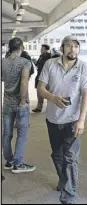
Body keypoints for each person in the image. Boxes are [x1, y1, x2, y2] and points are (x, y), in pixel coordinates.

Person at [37, 36, 87, 204]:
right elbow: (40, 88)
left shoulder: (83, 67)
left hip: (73, 120)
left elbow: (86, 94)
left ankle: (68, 196)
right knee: (57, 155)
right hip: (53, 119)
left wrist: (81, 120)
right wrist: (53, 98)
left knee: (70, 158)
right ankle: (64, 180)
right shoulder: (50, 64)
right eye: (68, 46)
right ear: (62, 48)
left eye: (76, 46)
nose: (72, 49)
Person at [1, 37, 36, 173]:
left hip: (7, 103)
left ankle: (9, 161)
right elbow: (24, 82)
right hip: (20, 104)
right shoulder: (25, 62)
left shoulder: (3, 62)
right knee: (21, 134)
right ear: (21, 47)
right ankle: (18, 164)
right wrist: (22, 101)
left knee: (7, 134)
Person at [32, 44, 52, 112]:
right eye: (41, 49)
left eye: (42, 49)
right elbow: (38, 65)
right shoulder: (41, 56)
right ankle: (39, 107)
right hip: (39, 75)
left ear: (46, 49)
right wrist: (35, 62)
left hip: (46, 77)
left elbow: (46, 66)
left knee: (47, 92)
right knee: (39, 92)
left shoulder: (49, 56)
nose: (41, 50)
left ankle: (49, 107)